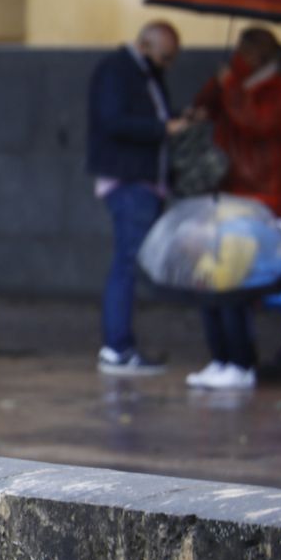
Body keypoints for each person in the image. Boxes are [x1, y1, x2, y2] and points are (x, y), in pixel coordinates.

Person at [185, 26, 281, 389]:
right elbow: (201, 109)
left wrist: (232, 86)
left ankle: (241, 360)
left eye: (244, 52)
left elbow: (258, 124)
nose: (240, 57)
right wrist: (218, 82)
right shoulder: (235, 80)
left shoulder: (280, 88)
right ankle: (224, 358)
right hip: (226, 191)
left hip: (260, 196)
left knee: (236, 281)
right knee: (212, 278)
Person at [86, 20, 190, 376]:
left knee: (129, 264)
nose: (168, 64)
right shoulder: (118, 70)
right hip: (130, 182)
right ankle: (117, 347)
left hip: (144, 181)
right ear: (146, 46)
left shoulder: (145, 73)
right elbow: (114, 121)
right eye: (165, 56)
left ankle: (120, 346)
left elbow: (149, 116)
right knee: (126, 264)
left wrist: (177, 119)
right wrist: (164, 128)